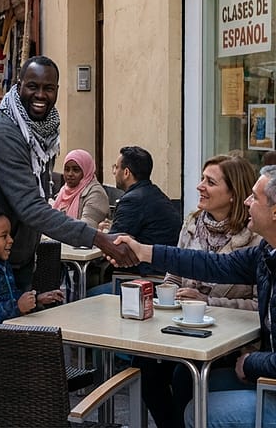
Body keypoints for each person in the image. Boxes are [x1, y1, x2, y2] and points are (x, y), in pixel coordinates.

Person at [107, 163, 276, 428]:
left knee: (195, 406)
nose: (247, 202)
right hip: (256, 367)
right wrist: (143, 251)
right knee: (177, 378)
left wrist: (252, 362)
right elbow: (209, 264)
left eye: (255, 197)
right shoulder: (266, 252)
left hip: (260, 369)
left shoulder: (257, 244)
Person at [0, 56, 137, 292]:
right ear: (19, 87)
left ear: (57, 91)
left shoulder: (43, 131)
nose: (41, 95)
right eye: (33, 86)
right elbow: (30, 206)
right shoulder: (4, 133)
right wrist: (99, 239)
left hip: (17, 254)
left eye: (48, 88)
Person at [101, 145, 182, 276]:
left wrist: (102, 234)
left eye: (116, 167)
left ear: (126, 172)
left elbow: (113, 246)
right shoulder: (155, 194)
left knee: (85, 295)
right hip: (164, 274)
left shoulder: (132, 200)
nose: (114, 172)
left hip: (143, 279)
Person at [51, 149, 109, 229]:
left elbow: (86, 228)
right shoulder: (64, 190)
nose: (70, 174)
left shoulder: (96, 193)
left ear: (86, 171)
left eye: (76, 170)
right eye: (67, 169)